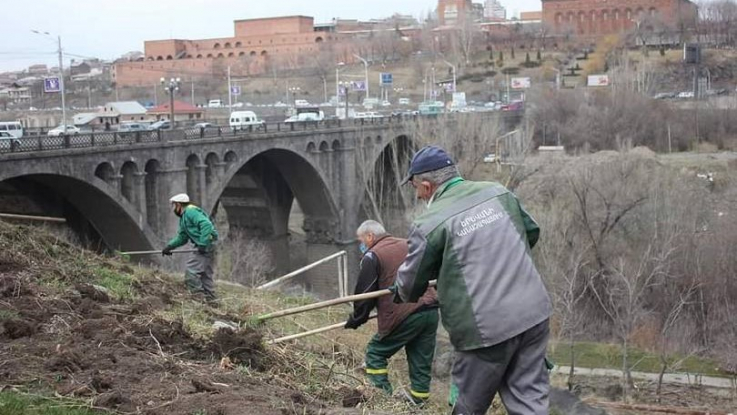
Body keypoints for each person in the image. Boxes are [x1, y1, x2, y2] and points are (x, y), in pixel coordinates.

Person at [394, 146, 552, 415]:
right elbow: (530, 232)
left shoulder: (429, 223)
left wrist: (398, 290)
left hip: (486, 330)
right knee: (529, 403)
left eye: (416, 188)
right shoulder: (498, 192)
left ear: (427, 185)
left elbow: (409, 287)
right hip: (533, 313)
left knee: (468, 406)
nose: (418, 195)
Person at [345, 220, 439, 405]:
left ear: (370, 236)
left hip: (405, 312)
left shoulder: (373, 255)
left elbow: (366, 293)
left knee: (375, 352)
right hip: (430, 309)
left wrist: (357, 318)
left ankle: (382, 398)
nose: (361, 245)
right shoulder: (408, 244)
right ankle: (419, 403)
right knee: (420, 359)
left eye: (361, 240)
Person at [162, 193, 219, 301]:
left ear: (178, 205)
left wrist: (202, 243)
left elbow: (206, 224)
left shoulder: (190, 212)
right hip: (206, 244)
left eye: (174, 206)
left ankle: (198, 298)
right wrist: (169, 246)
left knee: (191, 272)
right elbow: (182, 237)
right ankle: (211, 300)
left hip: (206, 245)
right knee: (205, 275)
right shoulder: (184, 218)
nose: (173, 209)